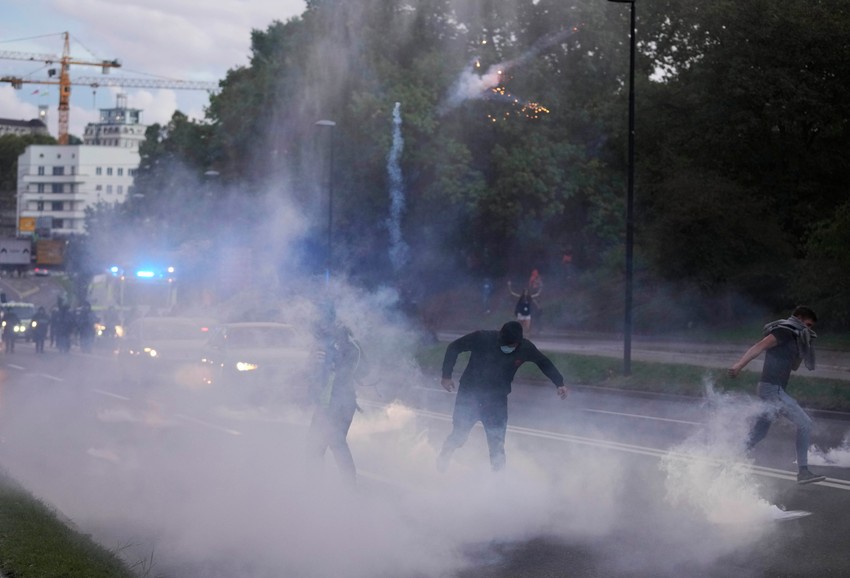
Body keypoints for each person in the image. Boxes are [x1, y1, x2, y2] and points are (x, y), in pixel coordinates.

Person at [437, 320, 568, 472]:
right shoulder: (482, 338)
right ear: (500, 335)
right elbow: (454, 347)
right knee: (460, 436)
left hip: (496, 401)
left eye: (512, 345)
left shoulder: (525, 347)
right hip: (470, 395)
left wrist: (559, 383)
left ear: (518, 342)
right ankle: (444, 455)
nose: (507, 347)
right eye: (505, 344)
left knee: (497, 443)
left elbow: (543, 362)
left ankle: (498, 479)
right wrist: (446, 376)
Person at [728, 306, 825, 484]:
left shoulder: (795, 336)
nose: (809, 329)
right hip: (772, 389)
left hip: (772, 389)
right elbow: (759, 347)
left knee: (759, 433)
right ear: (799, 318)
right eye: (808, 325)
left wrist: (803, 346)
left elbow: (794, 366)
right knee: (805, 423)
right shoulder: (784, 331)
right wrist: (739, 365)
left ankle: (730, 461)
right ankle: (803, 472)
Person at [305, 304, 365, 485]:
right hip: (331, 403)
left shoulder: (345, 347)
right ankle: (316, 485)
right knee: (319, 444)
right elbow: (312, 372)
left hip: (337, 404)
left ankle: (348, 486)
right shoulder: (330, 345)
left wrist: (332, 362)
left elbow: (348, 372)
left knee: (333, 442)